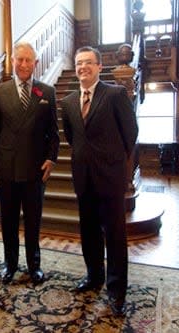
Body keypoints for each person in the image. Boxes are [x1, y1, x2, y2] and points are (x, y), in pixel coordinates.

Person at [60, 46, 138, 316]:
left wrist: (114, 163)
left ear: (99, 67)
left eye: (88, 63)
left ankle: (116, 291)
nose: (83, 67)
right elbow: (72, 137)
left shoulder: (115, 94)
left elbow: (131, 133)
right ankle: (93, 277)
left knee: (115, 236)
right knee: (89, 232)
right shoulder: (69, 102)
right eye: (79, 63)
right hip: (83, 177)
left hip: (110, 177)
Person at [0, 41, 59, 285]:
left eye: (29, 60)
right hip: (6, 169)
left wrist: (51, 158)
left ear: (36, 63)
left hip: (35, 170)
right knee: (7, 222)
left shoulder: (46, 92)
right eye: (20, 59)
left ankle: (34, 266)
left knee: (33, 222)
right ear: (13, 62)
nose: (24, 64)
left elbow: (53, 133)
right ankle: (10, 265)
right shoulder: (0, 91)